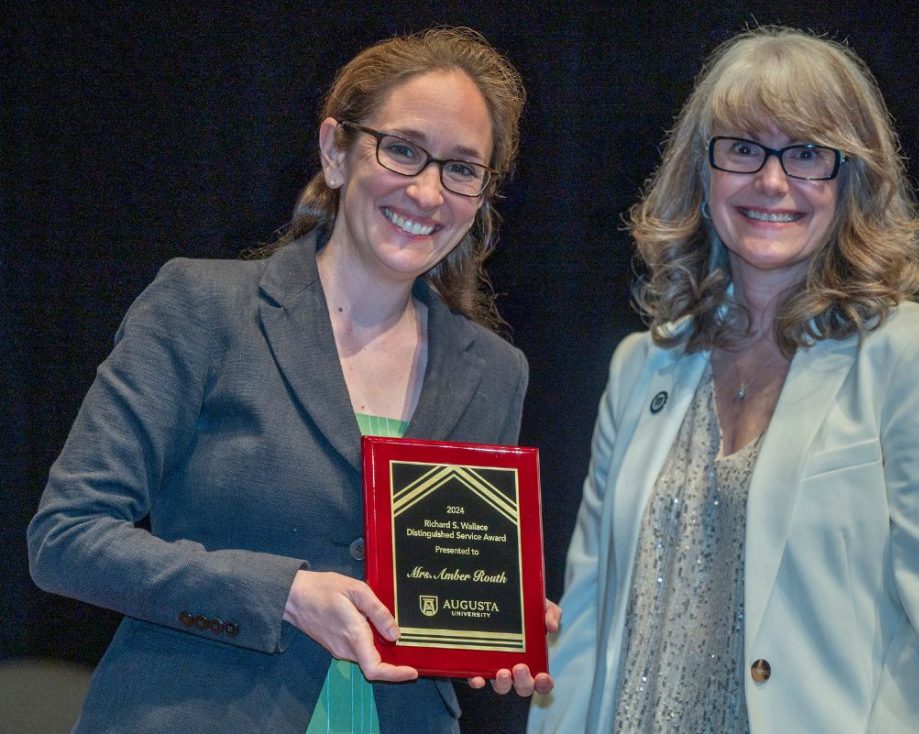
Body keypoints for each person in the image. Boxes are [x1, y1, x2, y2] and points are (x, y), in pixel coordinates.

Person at [28, 26, 556, 734]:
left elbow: (435, 597)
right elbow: (66, 539)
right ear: (336, 150)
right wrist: (284, 594)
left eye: (463, 169)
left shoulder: (494, 371)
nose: (429, 191)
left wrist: (500, 626)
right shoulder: (204, 309)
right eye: (403, 150)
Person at [528, 25, 919, 734]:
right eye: (744, 149)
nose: (772, 181)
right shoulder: (641, 366)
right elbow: (587, 625)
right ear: (703, 171)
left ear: (853, 178)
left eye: (807, 154)